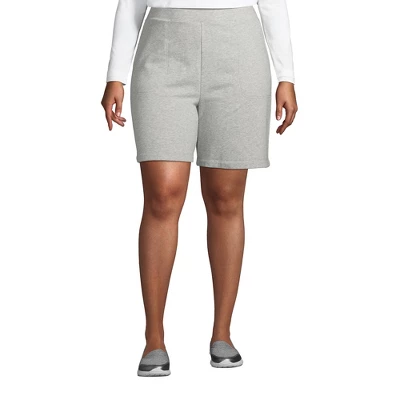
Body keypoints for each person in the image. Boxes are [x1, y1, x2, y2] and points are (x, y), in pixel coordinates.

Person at [101, 0, 298, 377]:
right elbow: (131, 3)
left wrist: (286, 74)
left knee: (226, 198)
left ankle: (222, 333)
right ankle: (154, 337)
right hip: (164, 49)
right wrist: (116, 74)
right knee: (162, 195)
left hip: (238, 49)